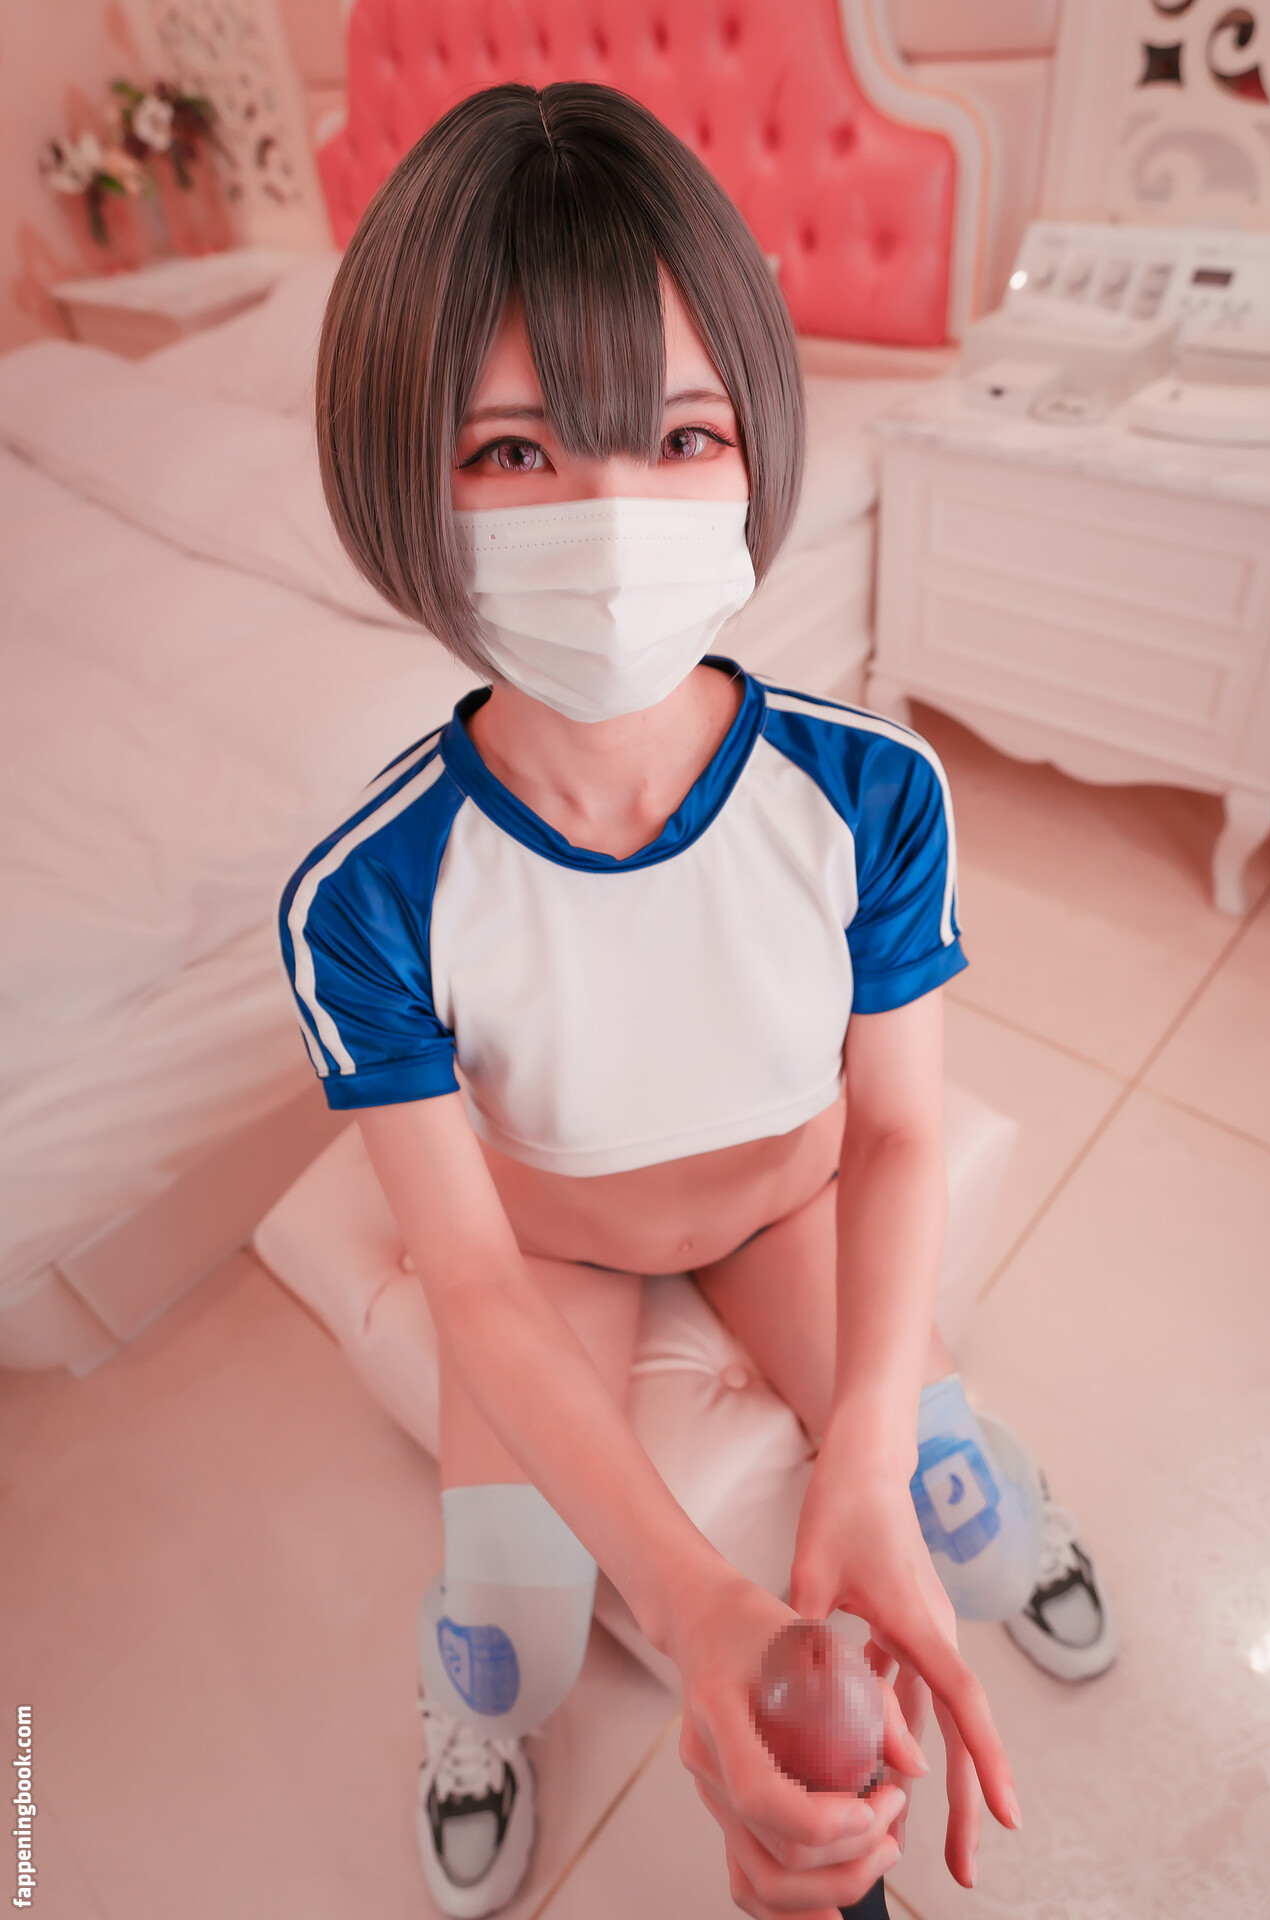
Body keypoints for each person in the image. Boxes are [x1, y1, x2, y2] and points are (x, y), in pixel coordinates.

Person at [278, 81, 1113, 1920]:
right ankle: (471, 1714)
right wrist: (698, 1599)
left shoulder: (869, 793)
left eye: (678, 433)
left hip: (786, 1200)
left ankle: (1000, 1511)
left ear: (755, 440)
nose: (611, 513)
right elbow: (468, 1278)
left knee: (963, 1507)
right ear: (401, 480)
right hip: (552, 1248)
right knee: (510, 1632)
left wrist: (869, 1449)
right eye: (512, 451)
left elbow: (897, 1129)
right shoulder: (367, 894)